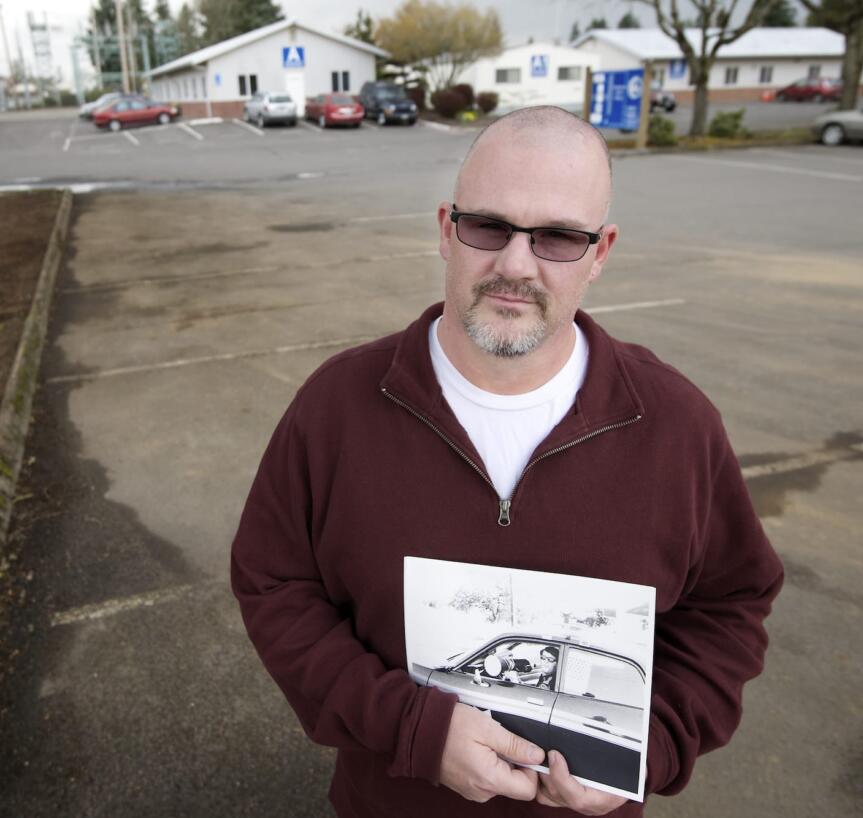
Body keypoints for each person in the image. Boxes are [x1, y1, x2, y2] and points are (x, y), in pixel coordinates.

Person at [231, 105, 784, 816]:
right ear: (445, 230)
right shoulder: (337, 407)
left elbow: (730, 608)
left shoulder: (677, 427)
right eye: (488, 226)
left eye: (557, 236)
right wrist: (413, 729)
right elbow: (274, 584)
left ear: (602, 251)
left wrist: (651, 743)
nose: (515, 265)